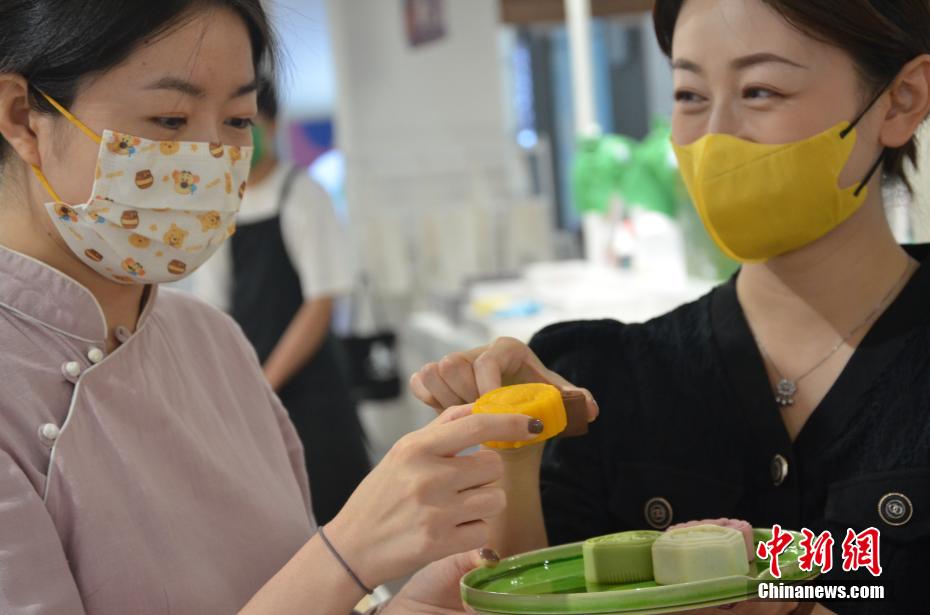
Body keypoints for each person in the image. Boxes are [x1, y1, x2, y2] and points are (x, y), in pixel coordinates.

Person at [0, 2, 545, 613]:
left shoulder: (213, 342)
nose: (210, 157)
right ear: (24, 117)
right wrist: (348, 555)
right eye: (169, 118)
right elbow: (323, 572)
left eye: (237, 119)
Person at [411, 1, 930, 613]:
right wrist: (516, 460)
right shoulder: (606, 378)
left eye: (760, 90)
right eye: (689, 95)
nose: (714, 136)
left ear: (900, 100)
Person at [193, 77, 369, 525]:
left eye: (245, 122)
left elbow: (320, 303)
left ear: (270, 126)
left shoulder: (302, 193)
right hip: (251, 384)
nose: (237, 137)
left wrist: (266, 382)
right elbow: (214, 307)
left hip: (310, 389)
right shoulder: (219, 204)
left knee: (336, 514)